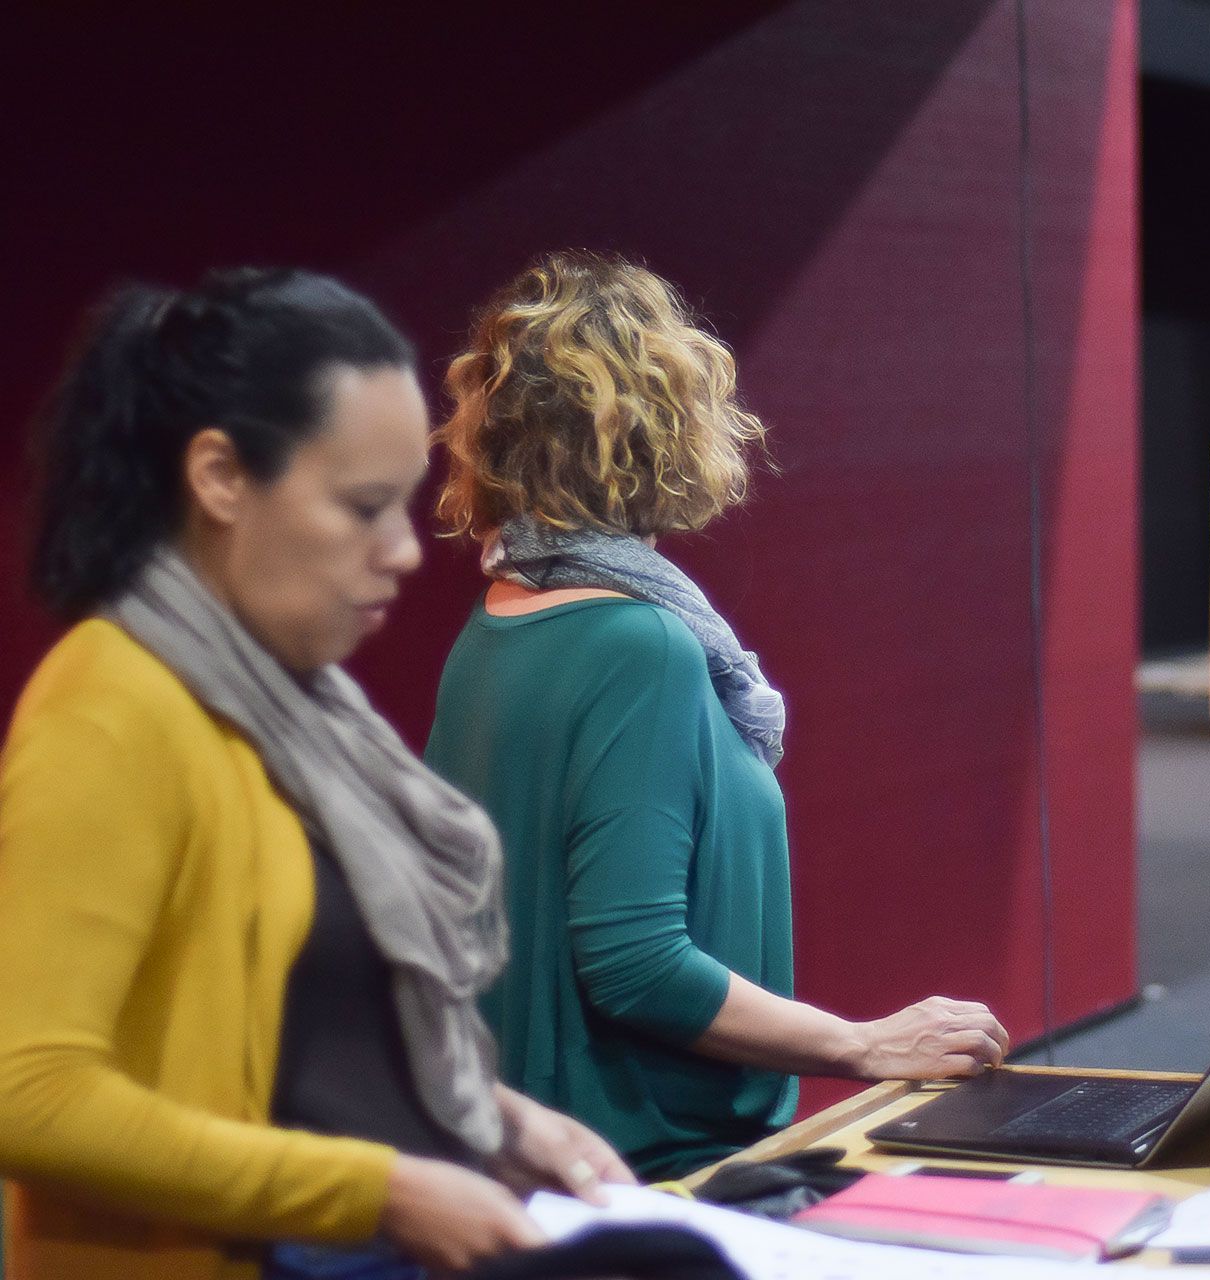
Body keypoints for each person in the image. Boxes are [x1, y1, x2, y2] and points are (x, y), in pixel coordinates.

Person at [0, 268, 634, 1280]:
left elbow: (315, 1054)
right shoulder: (113, 703)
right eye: (362, 507)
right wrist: (383, 1191)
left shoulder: (294, 704)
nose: (405, 551)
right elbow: (27, 1092)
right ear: (220, 476)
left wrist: (495, 1122)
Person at [425, 251, 1010, 1180]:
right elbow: (635, 963)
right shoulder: (639, 644)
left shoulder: (499, 620)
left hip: (543, 1155)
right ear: (665, 427)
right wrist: (863, 1044)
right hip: (652, 1168)